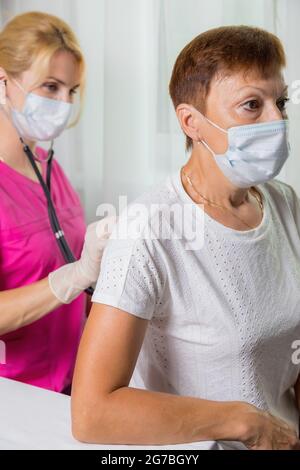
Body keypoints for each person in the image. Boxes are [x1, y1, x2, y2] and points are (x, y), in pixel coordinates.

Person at [71, 26, 300, 450]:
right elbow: (92, 414)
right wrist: (246, 422)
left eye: (280, 102)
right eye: (253, 104)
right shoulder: (148, 231)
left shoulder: (285, 203)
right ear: (192, 122)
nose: (278, 120)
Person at [0, 11, 114, 393]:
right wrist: (74, 277)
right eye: (51, 87)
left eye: (72, 90)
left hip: (67, 383)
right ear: (3, 82)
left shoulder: (51, 170)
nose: (64, 103)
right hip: (14, 393)